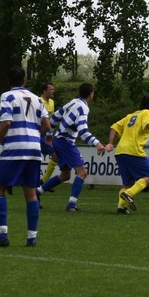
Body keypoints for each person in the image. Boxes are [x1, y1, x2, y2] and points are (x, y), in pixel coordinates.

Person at [0, 66, 50, 247]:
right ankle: (32, 237)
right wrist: (33, 135)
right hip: (34, 150)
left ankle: (2, 236)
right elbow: (47, 124)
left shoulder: (7, 96)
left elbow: (6, 122)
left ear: (8, 81)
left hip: (14, 149)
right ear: (24, 80)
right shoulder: (37, 99)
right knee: (31, 193)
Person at [37, 83, 104, 212]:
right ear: (91, 94)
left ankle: (36, 192)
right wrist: (97, 143)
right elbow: (83, 132)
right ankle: (71, 205)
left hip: (58, 140)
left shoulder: (73, 102)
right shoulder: (83, 108)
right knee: (82, 172)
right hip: (65, 142)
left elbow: (54, 118)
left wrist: (50, 135)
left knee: (65, 175)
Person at [102, 94, 149, 213]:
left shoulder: (130, 116)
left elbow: (114, 127)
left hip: (120, 151)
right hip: (133, 150)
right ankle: (129, 194)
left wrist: (111, 143)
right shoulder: (148, 113)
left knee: (127, 183)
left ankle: (121, 208)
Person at [38, 81, 58, 185]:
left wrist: (50, 134)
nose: (53, 91)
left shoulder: (52, 103)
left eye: (53, 89)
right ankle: (43, 182)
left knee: (56, 156)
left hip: (47, 134)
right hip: (39, 134)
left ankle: (43, 181)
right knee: (56, 155)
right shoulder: (38, 102)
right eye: (51, 89)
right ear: (44, 91)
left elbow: (51, 121)